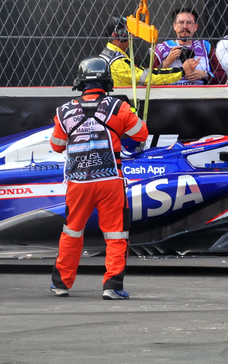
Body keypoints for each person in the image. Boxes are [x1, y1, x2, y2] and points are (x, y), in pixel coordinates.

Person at [49, 55, 149, 300]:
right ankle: (112, 286)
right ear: (107, 83)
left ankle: (61, 284)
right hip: (110, 181)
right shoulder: (119, 107)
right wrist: (131, 116)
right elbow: (141, 134)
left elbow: (57, 145)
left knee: (72, 231)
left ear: (80, 83)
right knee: (116, 234)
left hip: (78, 183)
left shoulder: (64, 111)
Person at [99, 17, 184, 88]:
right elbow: (148, 78)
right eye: (126, 32)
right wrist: (182, 71)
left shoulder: (110, 54)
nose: (132, 35)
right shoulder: (117, 62)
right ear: (114, 35)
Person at [153, 7, 222, 84]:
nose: (185, 26)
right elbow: (148, 77)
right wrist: (167, 62)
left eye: (189, 23)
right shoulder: (162, 47)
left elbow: (222, 77)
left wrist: (204, 75)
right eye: (181, 22)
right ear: (174, 26)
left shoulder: (205, 46)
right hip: (171, 94)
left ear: (195, 27)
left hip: (199, 93)